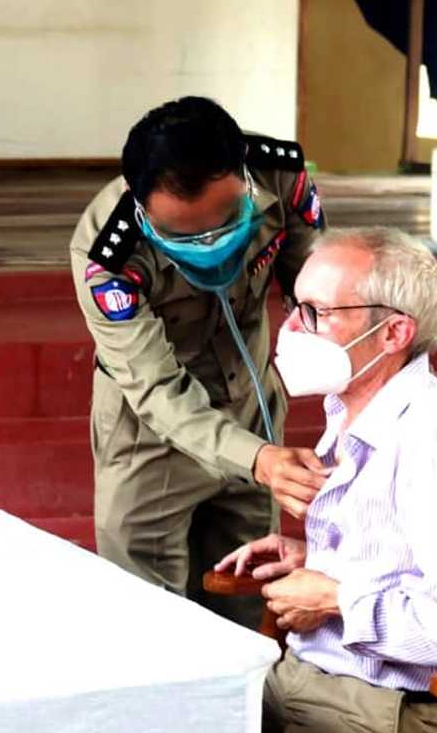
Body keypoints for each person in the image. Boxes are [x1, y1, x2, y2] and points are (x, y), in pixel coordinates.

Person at [215, 227, 437, 733]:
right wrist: (317, 560)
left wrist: (334, 597)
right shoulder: (357, 407)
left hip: (397, 714)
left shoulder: (429, 439)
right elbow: (403, 558)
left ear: (394, 334)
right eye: (294, 306)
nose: (290, 328)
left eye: (317, 312)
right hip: (323, 682)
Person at [69, 97, 330, 627]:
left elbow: (324, 295)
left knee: (244, 600)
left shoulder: (278, 175)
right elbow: (156, 390)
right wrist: (258, 459)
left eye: (227, 221)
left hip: (250, 407)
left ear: (243, 179)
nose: (210, 244)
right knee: (144, 619)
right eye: (183, 235)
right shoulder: (108, 255)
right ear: (143, 208)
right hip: (151, 438)